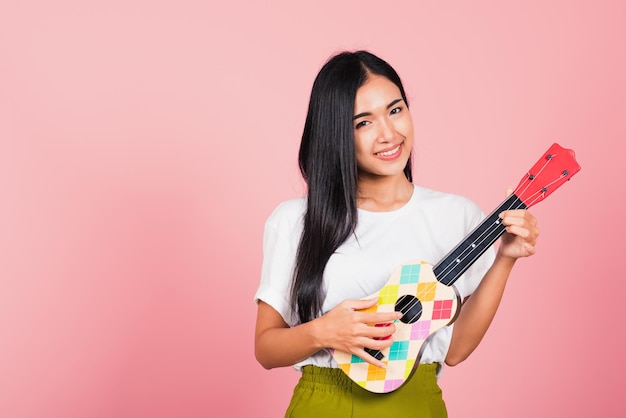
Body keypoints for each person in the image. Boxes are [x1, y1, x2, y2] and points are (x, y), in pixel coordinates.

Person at [254, 50, 539, 417]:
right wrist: (324, 332)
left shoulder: (459, 217)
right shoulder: (296, 221)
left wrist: (505, 259)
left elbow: (455, 351)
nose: (389, 134)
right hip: (323, 402)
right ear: (336, 135)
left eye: (395, 110)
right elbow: (265, 348)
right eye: (363, 123)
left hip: (416, 402)